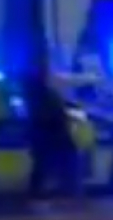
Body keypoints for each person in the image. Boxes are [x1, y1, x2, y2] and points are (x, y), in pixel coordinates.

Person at [23, 69, 80, 199]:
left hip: (44, 134)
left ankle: (39, 193)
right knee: (66, 161)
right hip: (54, 133)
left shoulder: (37, 93)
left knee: (42, 165)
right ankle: (68, 192)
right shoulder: (47, 94)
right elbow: (58, 113)